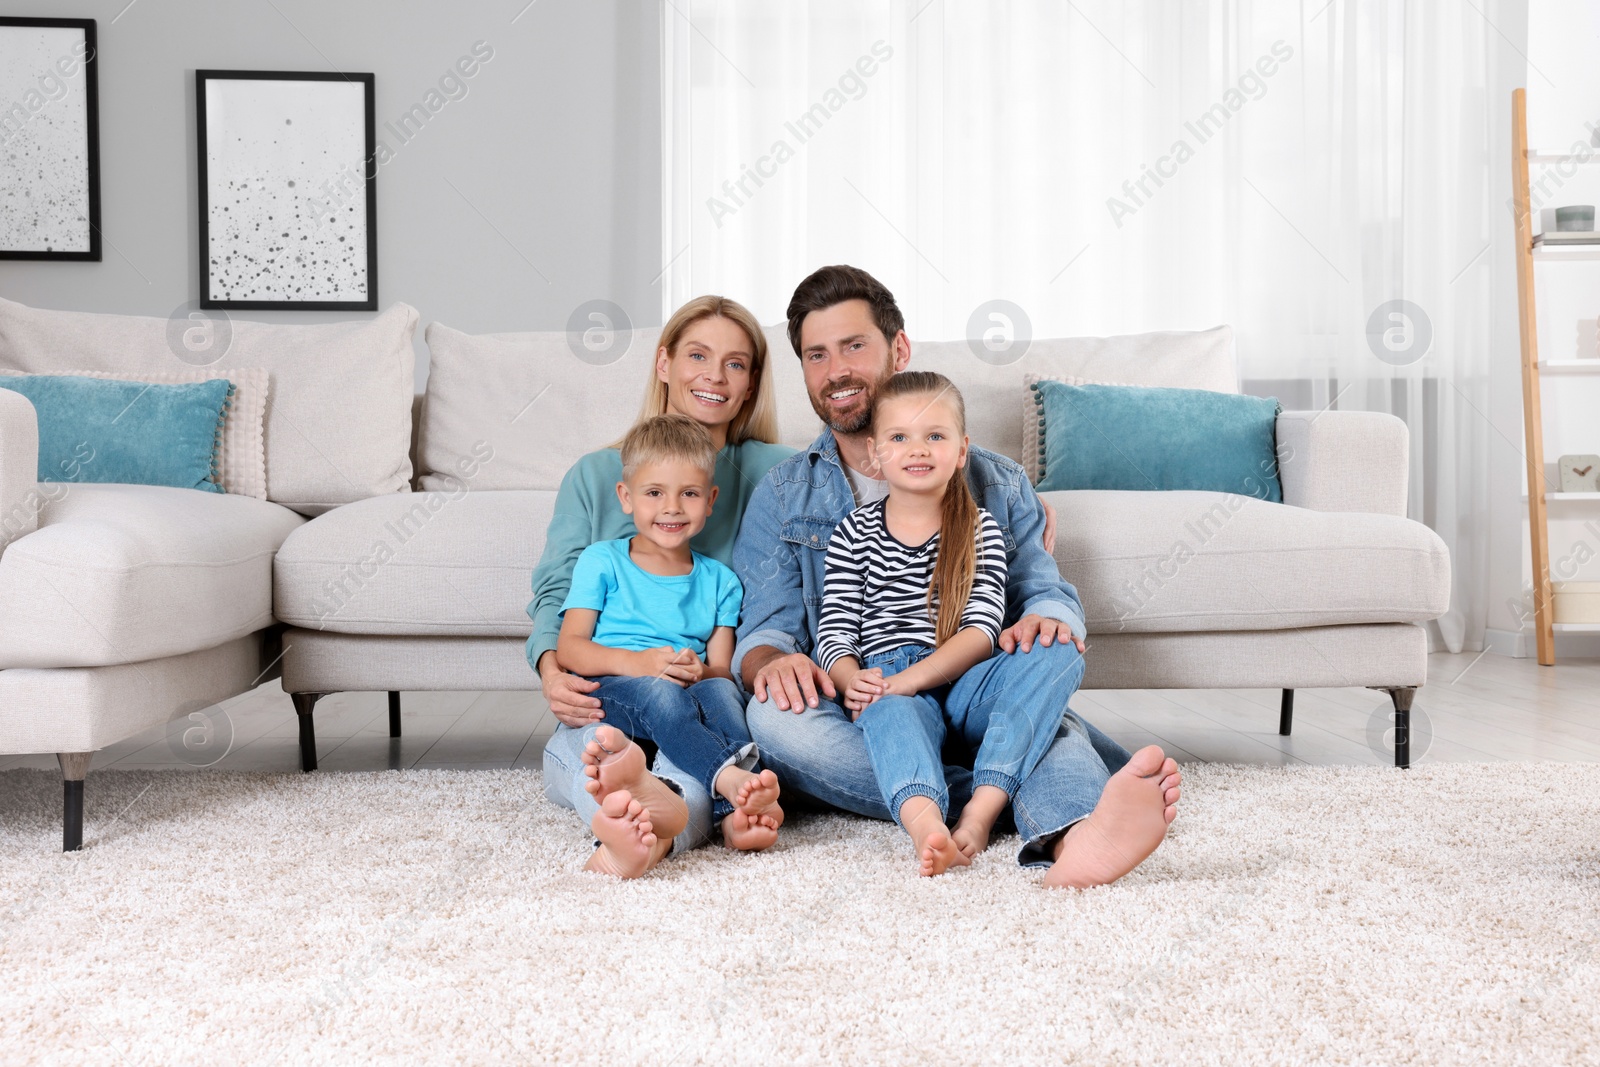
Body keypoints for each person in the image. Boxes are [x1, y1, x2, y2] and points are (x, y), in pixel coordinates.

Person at [733, 265, 1182, 889]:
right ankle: (1027, 782)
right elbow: (766, 632)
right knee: (776, 723)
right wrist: (771, 664)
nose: (835, 369)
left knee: (1051, 659)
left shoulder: (994, 484)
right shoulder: (785, 494)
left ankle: (1075, 832)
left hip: (973, 681)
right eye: (816, 354)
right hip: (868, 697)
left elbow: (1040, 590)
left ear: (900, 347)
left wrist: (1051, 619)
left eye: (854, 345)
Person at [530, 296, 794, 867]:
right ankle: (648, 819)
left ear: (750, 384)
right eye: (697, 355)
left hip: (694, 695)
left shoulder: (775, 471)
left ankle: (655, 836)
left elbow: (880, 459)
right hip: (608, 694)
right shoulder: (598, 477)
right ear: (664, 364)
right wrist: (553, 669)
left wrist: (989, 493)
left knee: (687, 757)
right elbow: (556, 598)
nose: (714, 377)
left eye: (736, 363)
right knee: (594, 755)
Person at [816, 371, 1067, 876]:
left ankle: (981, 811)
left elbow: (980, 633)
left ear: (961, 450)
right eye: (900, 437)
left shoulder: (981, 529)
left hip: (964, 678)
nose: (918, 449)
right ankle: (927, 824)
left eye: (935, 435)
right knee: (887, 715)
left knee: (1060, 650)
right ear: (875, 454)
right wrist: (850, 679)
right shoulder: (854, 532)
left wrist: (905, 681)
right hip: (886, 675)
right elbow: (836, 628)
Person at [557, 415, 783, 877]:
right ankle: (729, 776)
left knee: (722, 696)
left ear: (710, 500)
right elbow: (571, 650)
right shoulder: (602, 561)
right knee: (658, 692)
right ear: (626, 497)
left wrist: (699, 672)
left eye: (689, 493)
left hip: (686, 691)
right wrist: (638, 663)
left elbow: (721, 670)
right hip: (614, 688)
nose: (672, 507)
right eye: (654, 492)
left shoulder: (721, 582)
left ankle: (732, 818)